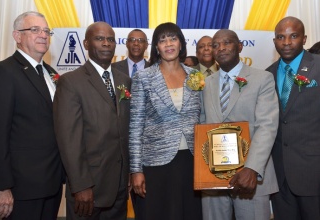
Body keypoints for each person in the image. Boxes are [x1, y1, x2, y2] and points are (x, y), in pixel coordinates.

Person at [53, 22, 131, 219]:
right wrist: (80, 185)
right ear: (86, 44)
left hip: (120, 187)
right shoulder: (71, 82)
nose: (106, 43)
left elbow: (125, 131)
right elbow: (69, 139)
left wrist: (128, 174)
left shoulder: (124, 81)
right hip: (88, 189)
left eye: (111, 40)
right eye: (100, 38)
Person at [200, 29, 279, 220]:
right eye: (216, 45)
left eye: (227, 42)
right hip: (213, 180)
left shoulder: (262, 79)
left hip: (251, 178)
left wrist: (252, 168)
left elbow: (267, 126)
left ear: (240, 46)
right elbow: (202, 125)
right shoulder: (206, 84)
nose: (221, 48)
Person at [0, 11, 64, 219]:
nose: (43, 35)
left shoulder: (51, 73)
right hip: (20, 189)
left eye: (46, 31)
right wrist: (1, 186)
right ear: (17, 36)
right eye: (34, 30)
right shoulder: (4, 72)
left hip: (51, 184)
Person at [130, 22, 202, 220]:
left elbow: (203, 119)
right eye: (162, 40)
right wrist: (136, 169)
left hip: (191, 161)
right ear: (156, 47)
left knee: (190, 213)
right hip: (155, 164)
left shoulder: (195, 76)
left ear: (181, 44)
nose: (168, 44)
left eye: (173, 38)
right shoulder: (144, 77)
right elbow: (135, 126)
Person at [266, 16, 320, 220]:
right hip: (279, 176)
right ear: (274, 42)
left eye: (293, 36)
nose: (286, 42)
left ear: (304, 39)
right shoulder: (267, 75)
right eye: (280, 37)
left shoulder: (318, 66)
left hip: (313, 172)